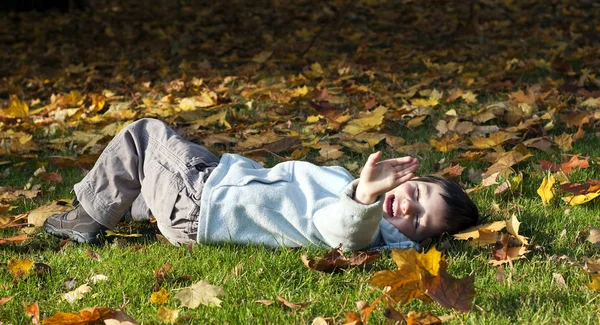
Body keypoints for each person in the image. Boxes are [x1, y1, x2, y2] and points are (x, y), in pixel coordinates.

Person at [43, 118, 479, 251]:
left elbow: (341, 229)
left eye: (418, 223)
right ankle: (144, 207)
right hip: (214, 198)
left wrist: (363, 197)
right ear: (411, 178)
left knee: (145, 135)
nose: (408, 211)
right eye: (417, 196)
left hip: (203, 203)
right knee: (188, 158)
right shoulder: (366, 212)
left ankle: (87, 216)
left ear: (417, 242)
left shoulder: (366, 228)